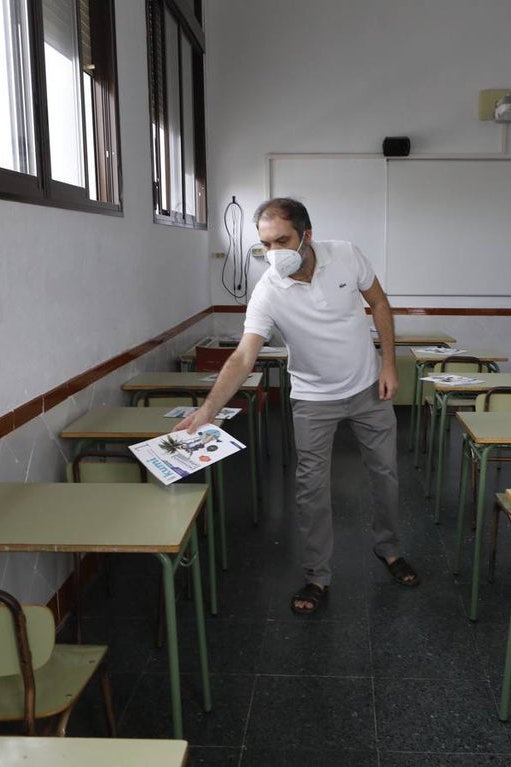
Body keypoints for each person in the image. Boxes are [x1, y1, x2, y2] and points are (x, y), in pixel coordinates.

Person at [175, 197, 419, 614]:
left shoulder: (345, 254)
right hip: (311, 398)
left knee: (386, 475)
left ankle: (390, 550)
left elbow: (379, 303)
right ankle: (317, 576)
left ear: (307, 235)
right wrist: (207, 411)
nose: (274, 253)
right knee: (311, 490)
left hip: (366, 389)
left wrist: (389, 364)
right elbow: (243, 357)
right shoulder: (269, 290)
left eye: (282, 241)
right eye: (265, 245)